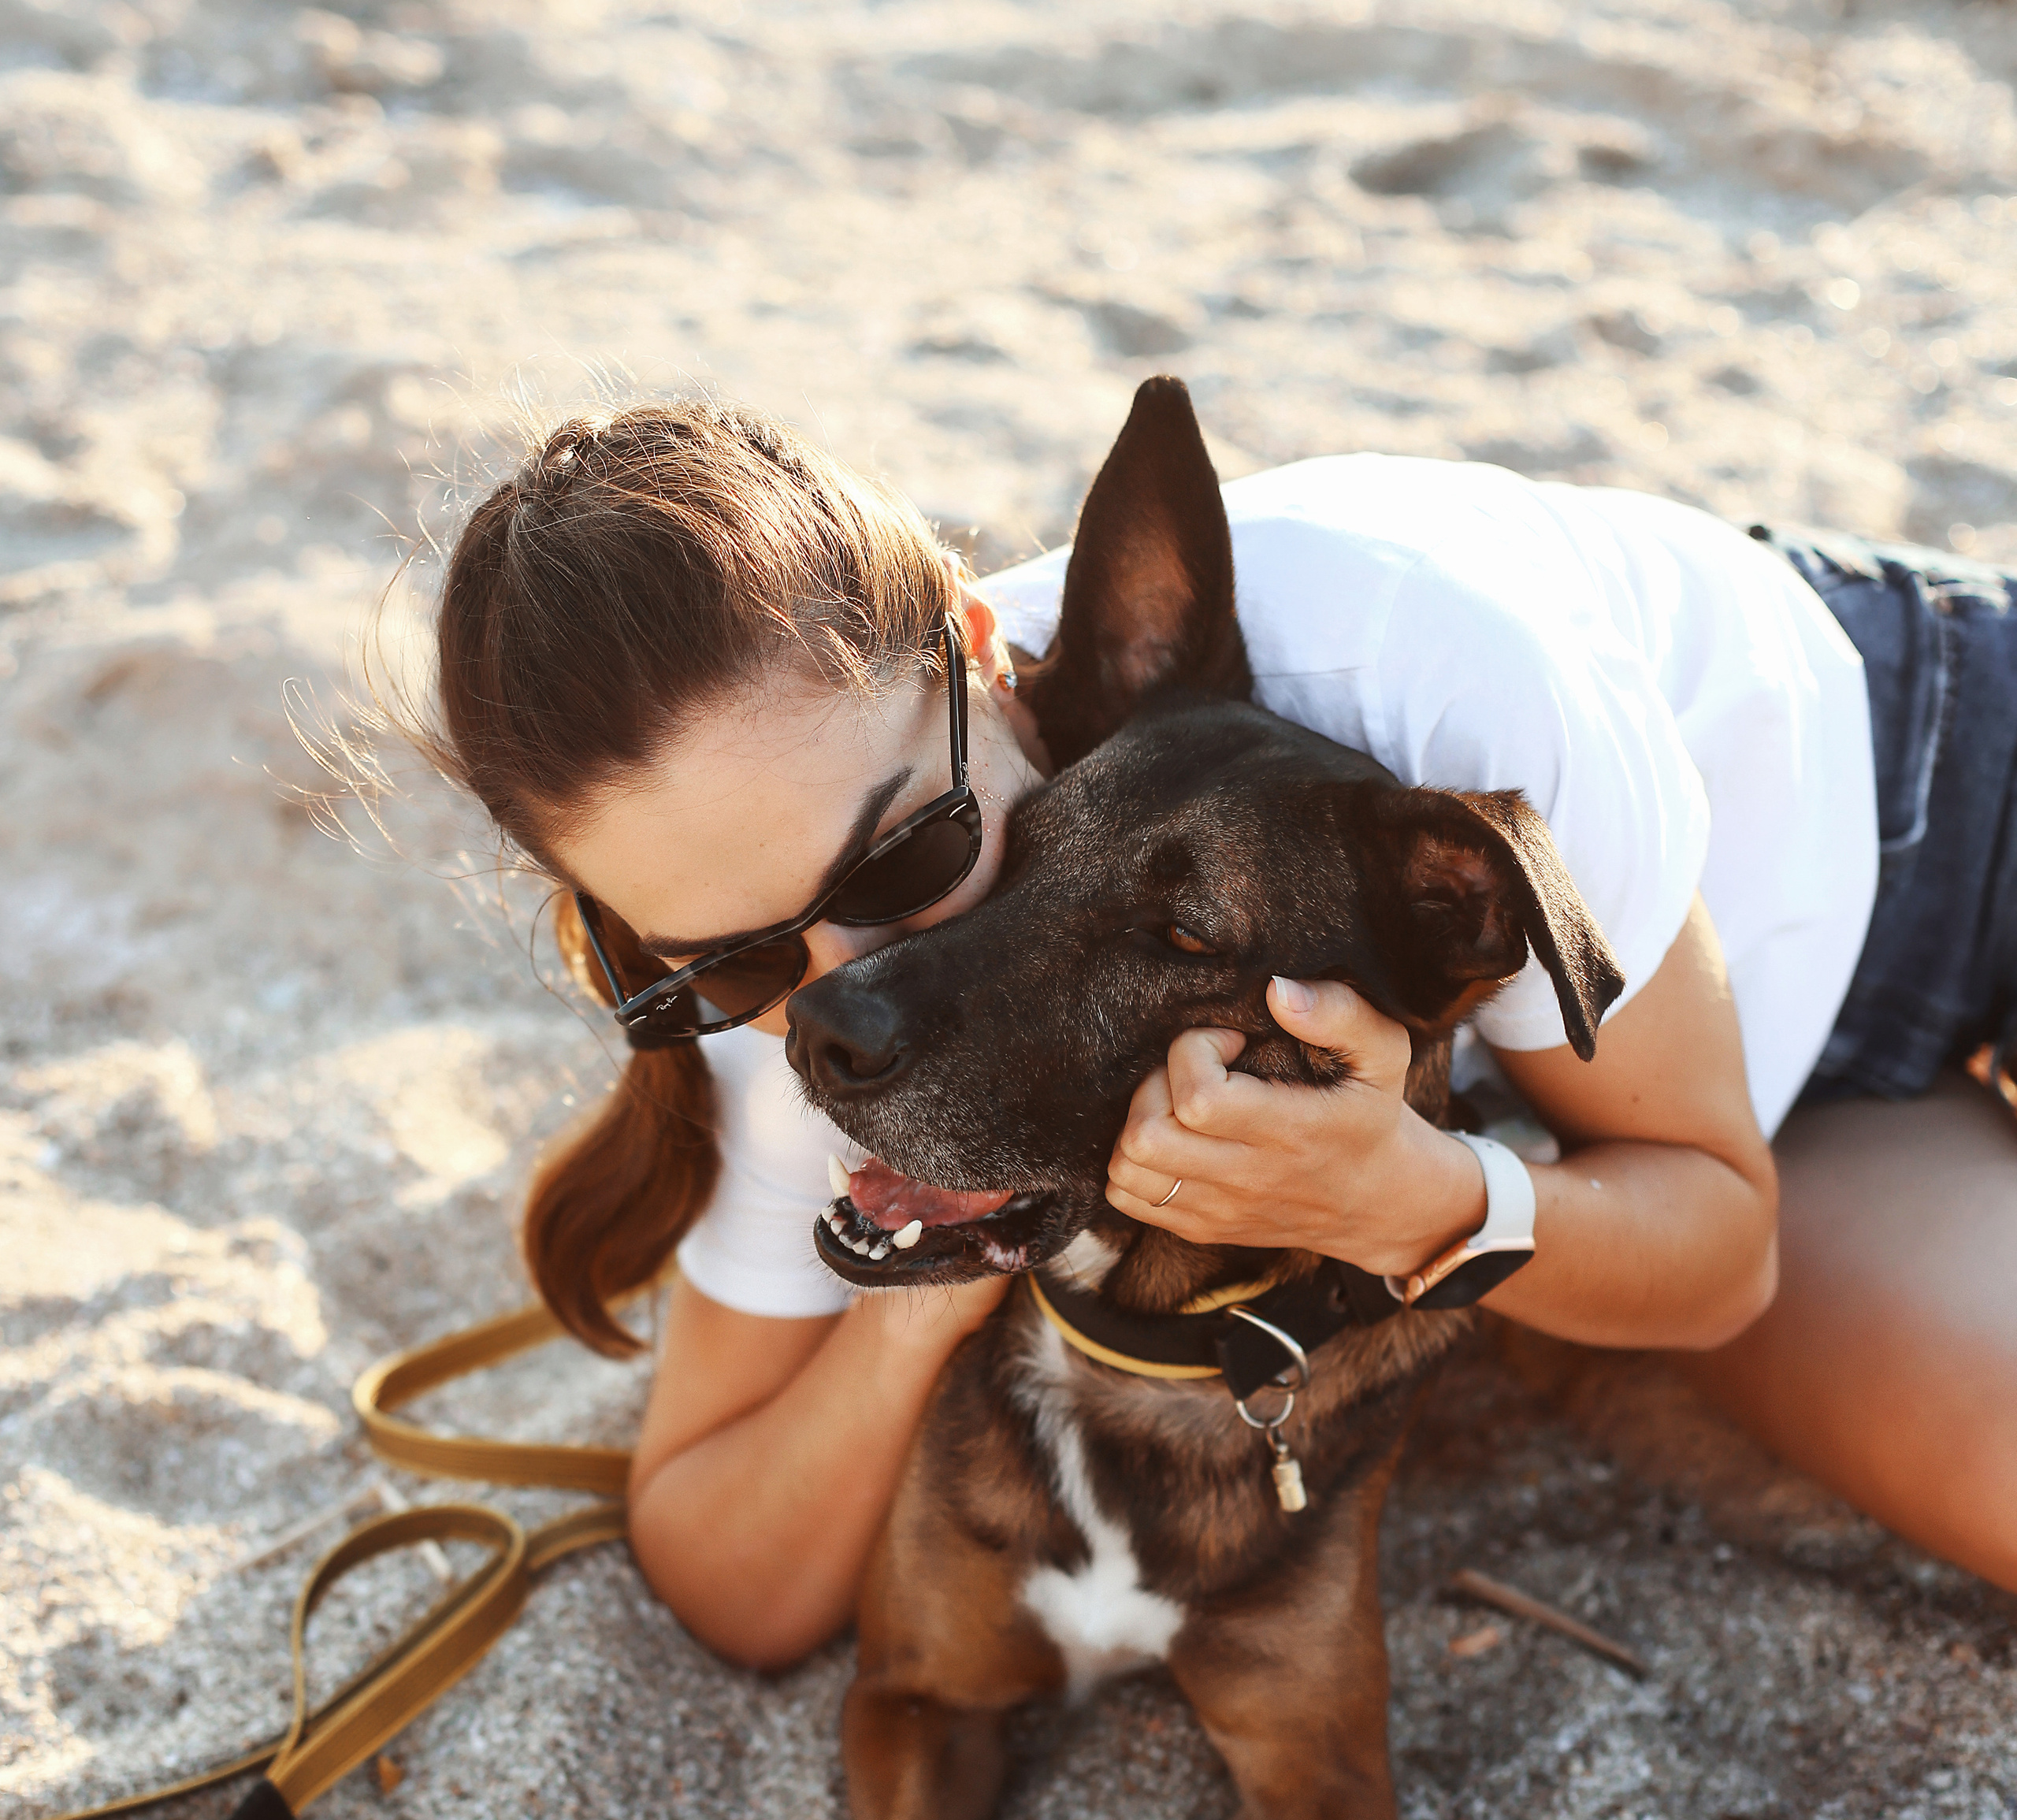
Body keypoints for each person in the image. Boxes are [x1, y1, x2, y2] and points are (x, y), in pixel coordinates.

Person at [412, 396, 2017, 1665]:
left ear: (984, 651)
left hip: (1928, 795)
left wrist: (1408, 1203)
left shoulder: (1429, 681)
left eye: (905, 858)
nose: (851, 978)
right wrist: (925, 1262)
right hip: (1746, 1124)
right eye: (735, 960)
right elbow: (728, 1572)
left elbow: (1715, 1241)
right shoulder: (782, 980)